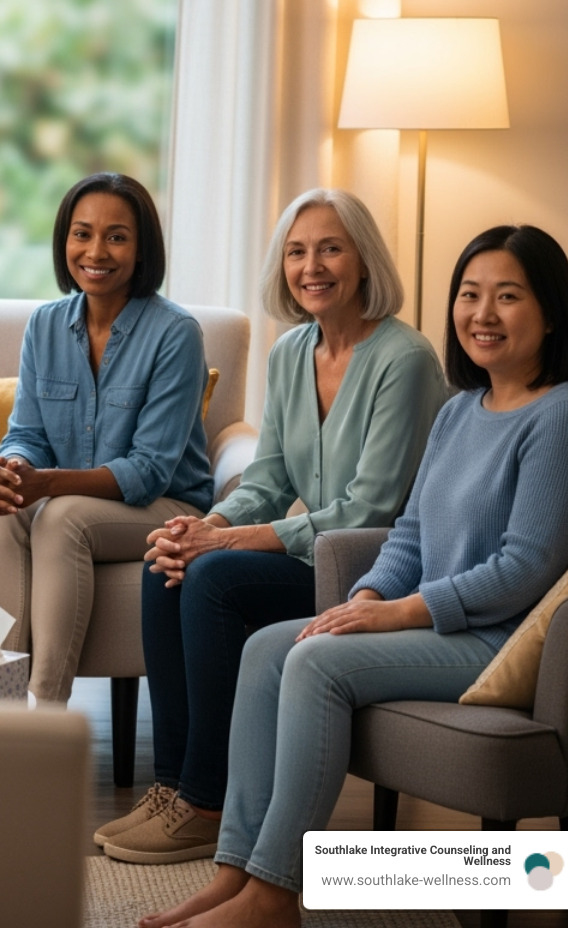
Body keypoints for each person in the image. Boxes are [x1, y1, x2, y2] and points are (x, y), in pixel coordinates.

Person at [141, 224, 568, 928]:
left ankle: (274, 893)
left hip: (496, 639)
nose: (482, 314)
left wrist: (400, 612)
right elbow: (409, 534)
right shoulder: (459, 410)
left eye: (507, 296)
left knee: (319, 664)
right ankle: (234, 872)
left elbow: (524, 568)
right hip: (440, 623)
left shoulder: (567, 414)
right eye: (470, 294)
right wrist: (365, 596)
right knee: (269, 648)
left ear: (550, 311)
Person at [100, 188, 447, 865]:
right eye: (296, 252)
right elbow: (268, 480)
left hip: (375, 571)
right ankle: (172, 786)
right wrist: (206, 524)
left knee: (216, 579)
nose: (311, 266)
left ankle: (208, 800)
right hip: (316, 558)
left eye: (330, 248)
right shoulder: (293, 352)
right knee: (167, 563)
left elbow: (369, 511)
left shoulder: (403, 361)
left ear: (365, 259)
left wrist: (225, 543)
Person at [0, 172, 214, 703]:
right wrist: (13, 469)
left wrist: (49, 484)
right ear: (65, 242)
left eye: (117, 236)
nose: (95, 251)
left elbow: (148, 470)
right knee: (1, 508)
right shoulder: (45, 325)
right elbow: (27, 434)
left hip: (166, 506)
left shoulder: (176, 333)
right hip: (75, 499)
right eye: (82, 234)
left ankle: (46, 714)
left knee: (61, 515)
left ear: (141, 246)